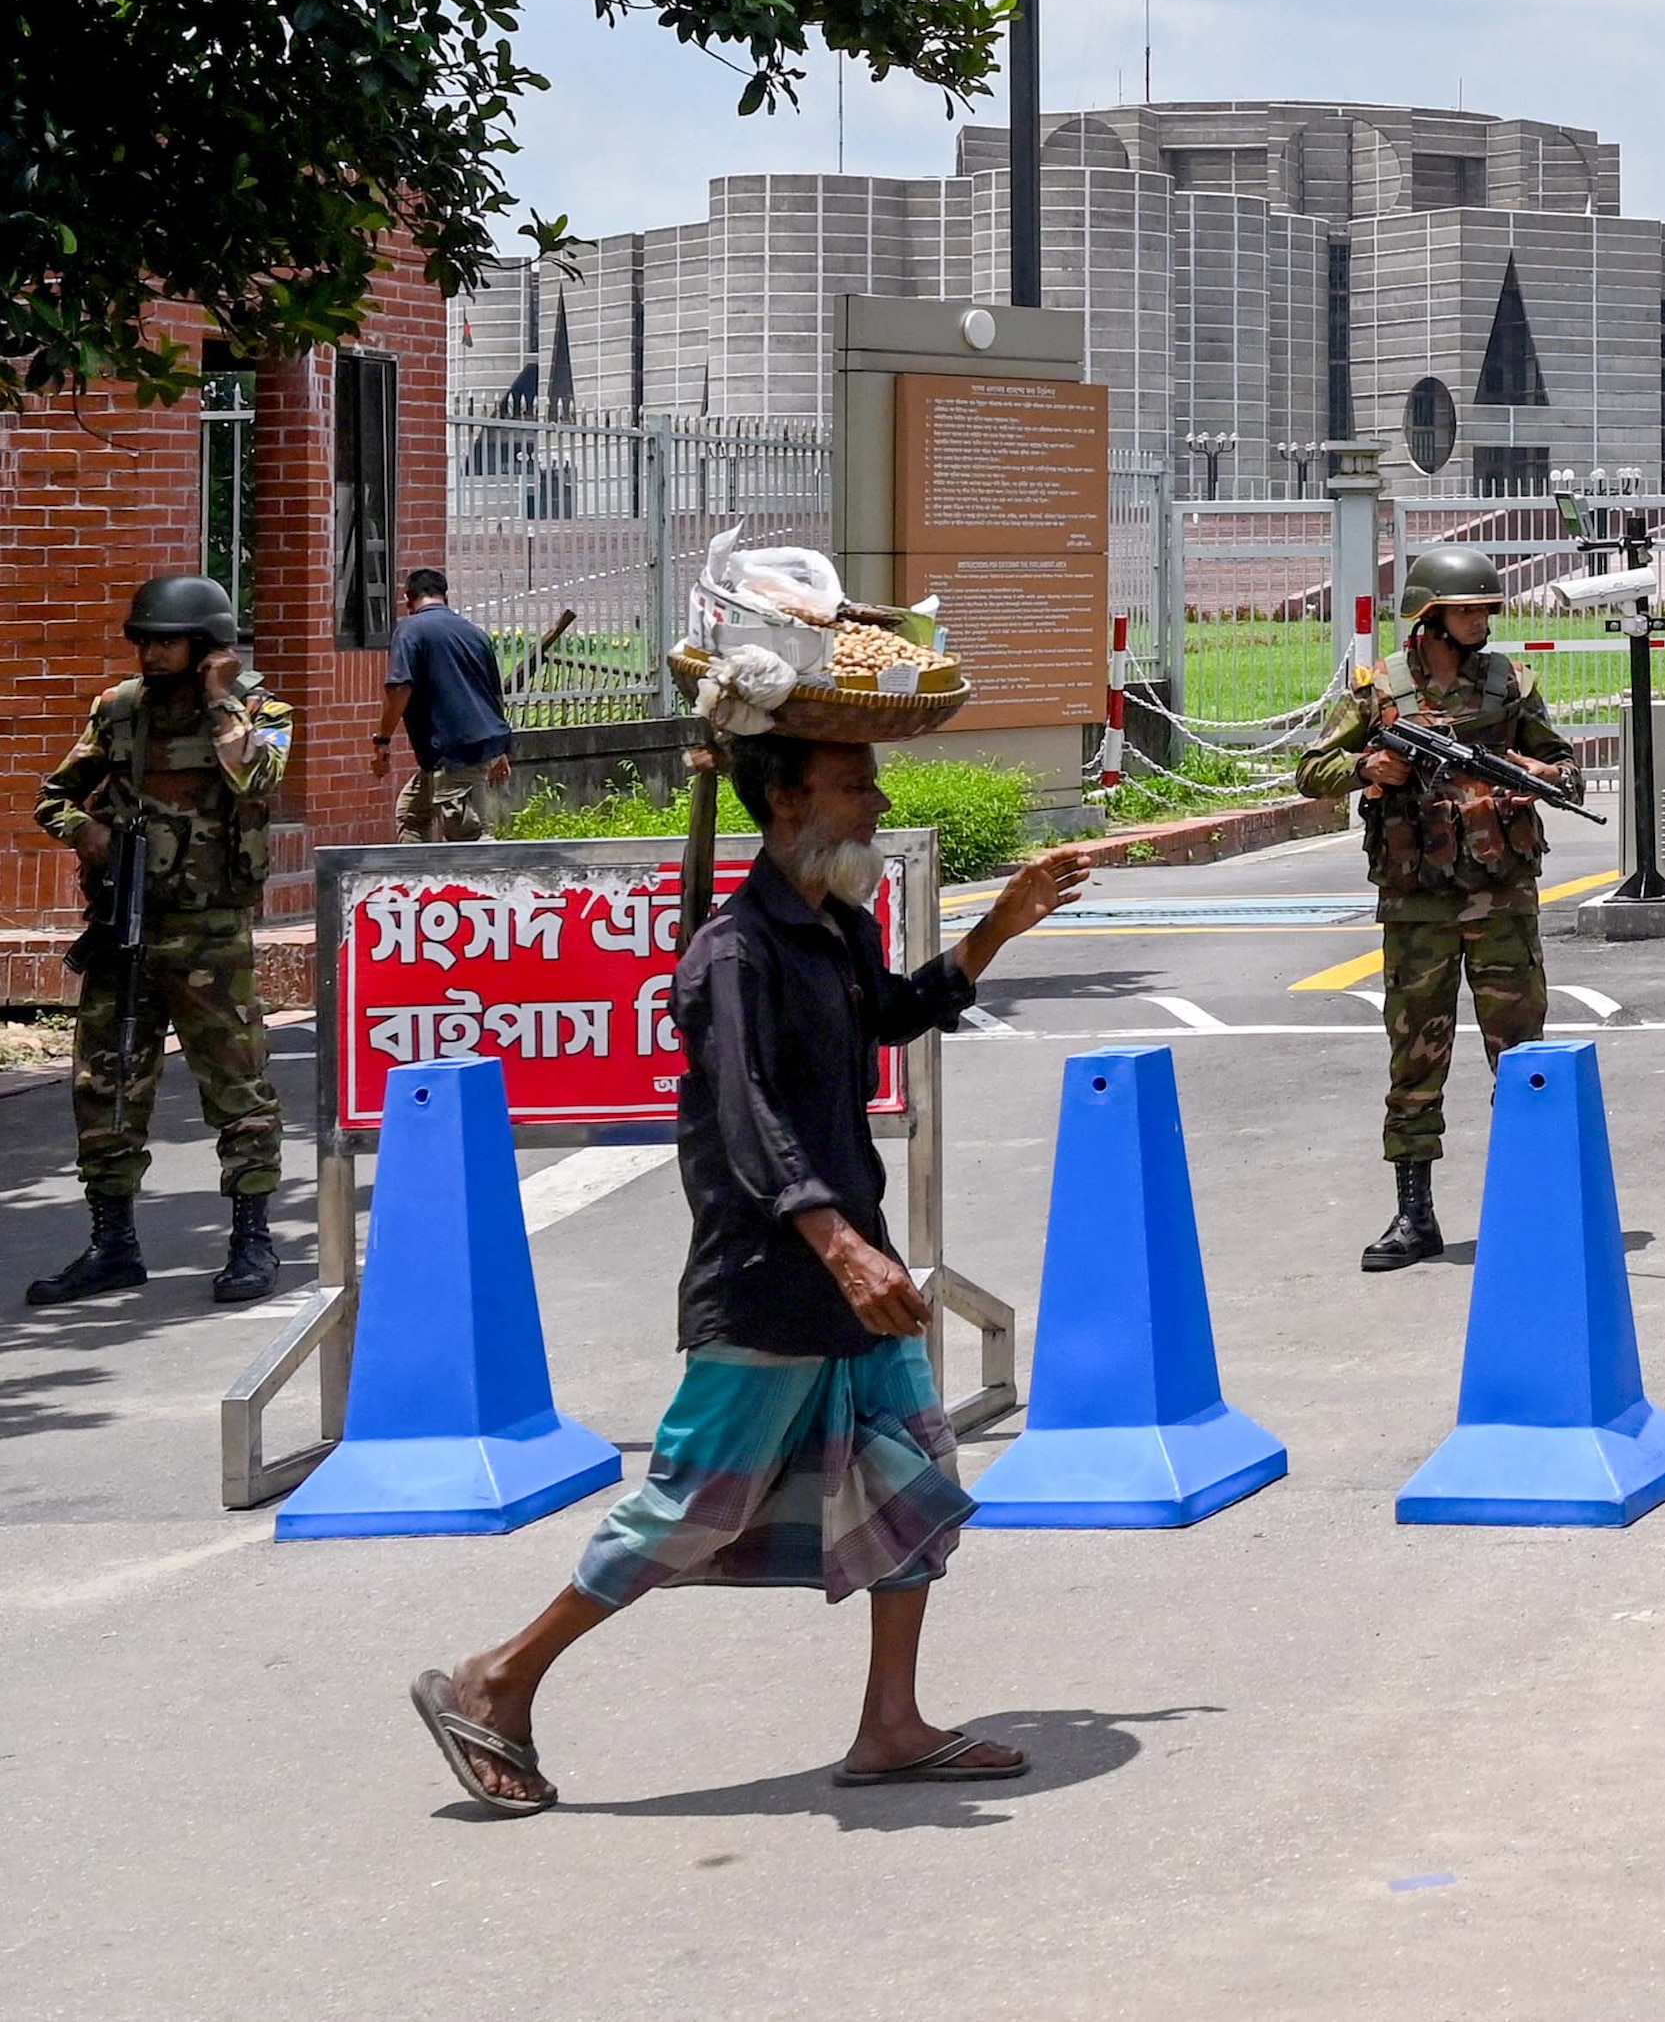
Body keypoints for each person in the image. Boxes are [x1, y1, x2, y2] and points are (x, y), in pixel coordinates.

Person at [405, 733, 1094, 1815]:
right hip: (772, 1276)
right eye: (854, 785)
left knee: (916, 1481)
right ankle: (496, 1677)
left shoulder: (836, 923)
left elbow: (888, 1014)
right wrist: (839, 1246)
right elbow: (747, 1114)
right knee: (693, 1504)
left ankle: (891, 1723)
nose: (876, 803)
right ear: (783, 797)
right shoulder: (731, 953)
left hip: (855, 1268)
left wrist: (996, 929)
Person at [1300, 548, 1575, 1272]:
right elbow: (1311, 770)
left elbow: (1567, 769)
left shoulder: (1511, 684)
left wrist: (1540, 772)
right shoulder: (1380, 690)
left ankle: (1535, 1208)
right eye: (1466, 610)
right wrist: (1368, 766)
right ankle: (1414, 1216)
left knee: (1524, 1057)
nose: (1481, 620)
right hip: (1416, 902)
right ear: (1430, 616)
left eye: (1486, 609)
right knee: (1415, 1062)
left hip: (1501, 897)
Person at [29, 574, 294, 1308]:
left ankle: (251, 1239)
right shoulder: (118, 710)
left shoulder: (261, 710)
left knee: (238, 1086)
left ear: (206, 644)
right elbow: (52, 797)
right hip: (126, 928)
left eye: (167, 642)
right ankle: (112, 1243)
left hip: (211, 936)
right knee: (104, 1086)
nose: (150, 654)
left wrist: (220, 697)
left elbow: (256, 778)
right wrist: (86, 831)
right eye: (143, 641)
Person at [374, 568, 518, 842]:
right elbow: (493, 695)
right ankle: (416, 869)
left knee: (466, 834)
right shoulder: (474, 633)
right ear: (445, 596)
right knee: (412, 813)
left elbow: (399, 687)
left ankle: (501, 868)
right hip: (463, 749)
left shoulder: (410, 630)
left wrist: (383, 739)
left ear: (408, 599)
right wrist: (500, 750)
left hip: (455, 751)